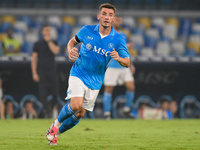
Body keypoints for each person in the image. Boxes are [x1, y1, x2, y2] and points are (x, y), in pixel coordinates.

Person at [46, 3, 130, 145]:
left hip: (96, 80)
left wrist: (119, 58)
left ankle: (56, 134)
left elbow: (127, 62)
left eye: (110, 15)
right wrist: (70, 49)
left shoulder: (118, 39)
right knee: (76, 104)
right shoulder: (87, 30)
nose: (106, 17)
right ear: (99, 16)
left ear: (113, 19)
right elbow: (72, 42)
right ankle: (55, 125)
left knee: (80, 114)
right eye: (104, 14)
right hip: (79, 72)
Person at [103, 15, 135, 119]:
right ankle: (107, 113)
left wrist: (131, 64)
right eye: (117, 21)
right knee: (108, 89)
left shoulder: (123, 34)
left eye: (120, 21)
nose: (119, 23)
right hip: (111, 65)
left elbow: (126, 52)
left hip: (123, 65)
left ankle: (127, 109)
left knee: (131, 86)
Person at [31, 24, 59, 118]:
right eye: (46, 30)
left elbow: (55, 51)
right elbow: (34, 59)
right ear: (42, 32)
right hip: (42, 71)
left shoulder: (54, 41)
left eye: (49, 30)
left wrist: (49, 41)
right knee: (43, 94)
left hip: (52, 71)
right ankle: (47, 112)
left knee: (55, 93)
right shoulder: (37, 44)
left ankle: (51, 108)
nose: (47, 32)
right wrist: (34, 73)